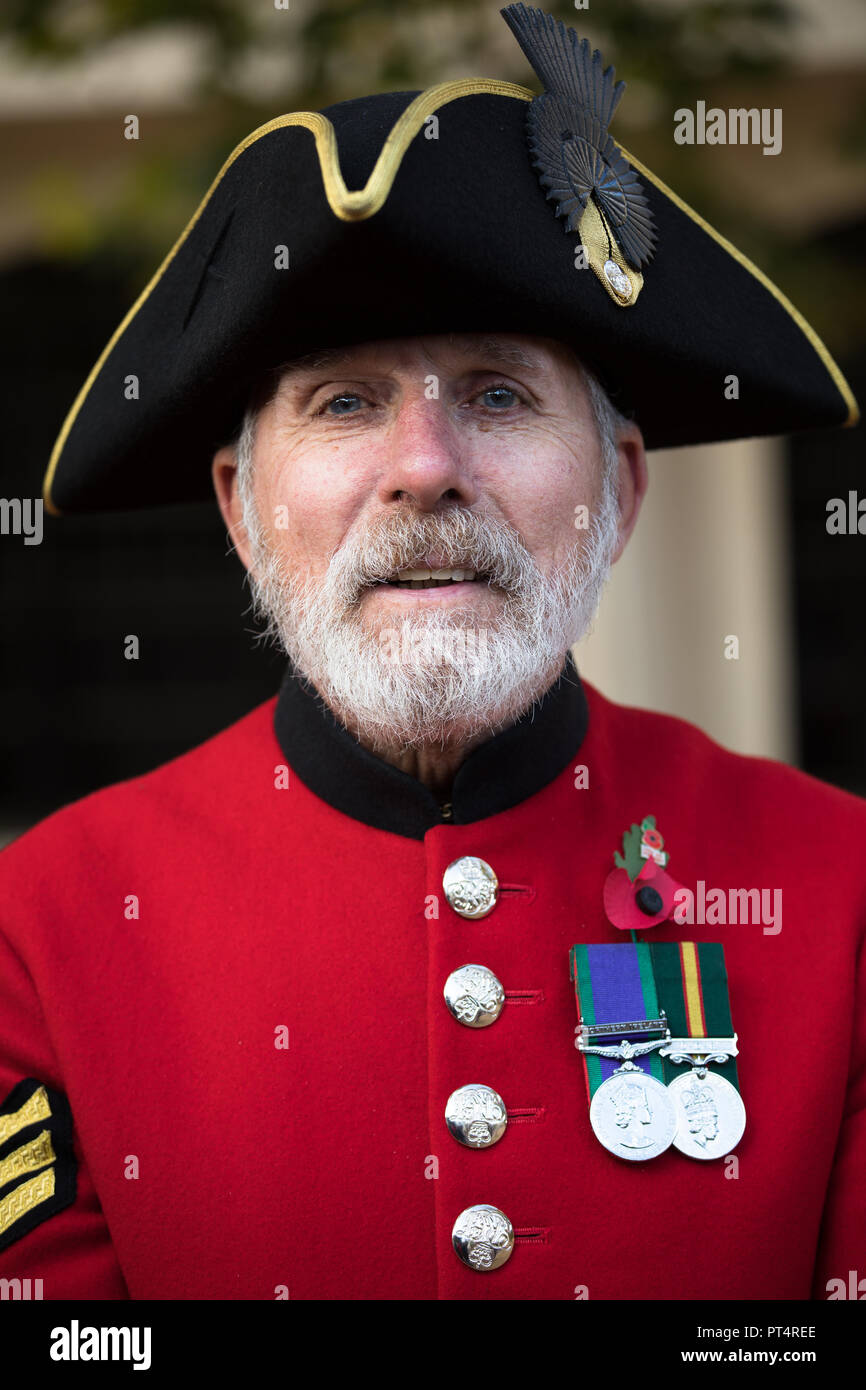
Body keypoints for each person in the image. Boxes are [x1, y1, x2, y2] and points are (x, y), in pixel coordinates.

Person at [1, 5, 862, 1301]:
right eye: (344, 403)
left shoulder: (840, 889)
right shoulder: (44, 921)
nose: (424, 470)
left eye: (500, 395)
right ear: (239, 508)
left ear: (618, 493)